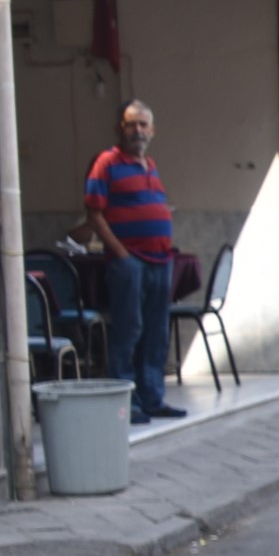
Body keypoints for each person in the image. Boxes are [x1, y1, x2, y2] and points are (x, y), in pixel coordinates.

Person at [78, 100, 186, 425]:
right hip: (130, 262)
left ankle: (152, 399)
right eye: (131, 124)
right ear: (119, 129)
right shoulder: (106, 163)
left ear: (152, 130)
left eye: (143, 124)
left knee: (156, 332)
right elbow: (94, 213)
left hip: (160, 260)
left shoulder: (150, 165)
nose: (137, 130)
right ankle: (126, 405)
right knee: (129, 331)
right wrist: (121, 253)